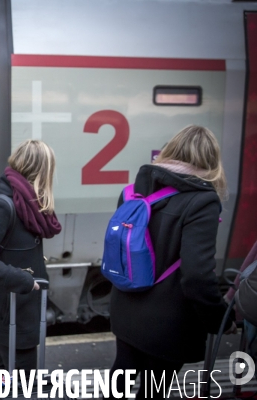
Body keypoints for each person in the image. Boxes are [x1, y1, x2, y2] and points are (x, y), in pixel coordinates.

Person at [108, 125, 236, 399]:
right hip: (166, 323)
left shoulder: (133, 191)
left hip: (125, 309)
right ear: (211, 161)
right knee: (154, 392)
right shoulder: (202, 201)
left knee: (118, 383)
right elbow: (197, 276)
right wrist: (220, 319)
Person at [0, 139, 62, 397]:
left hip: (18, 308)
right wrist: (22, 280)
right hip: (13, 309)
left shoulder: (26, 203)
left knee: (1, 373)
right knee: (26, 385)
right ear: (43, 171)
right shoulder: (4, 204)